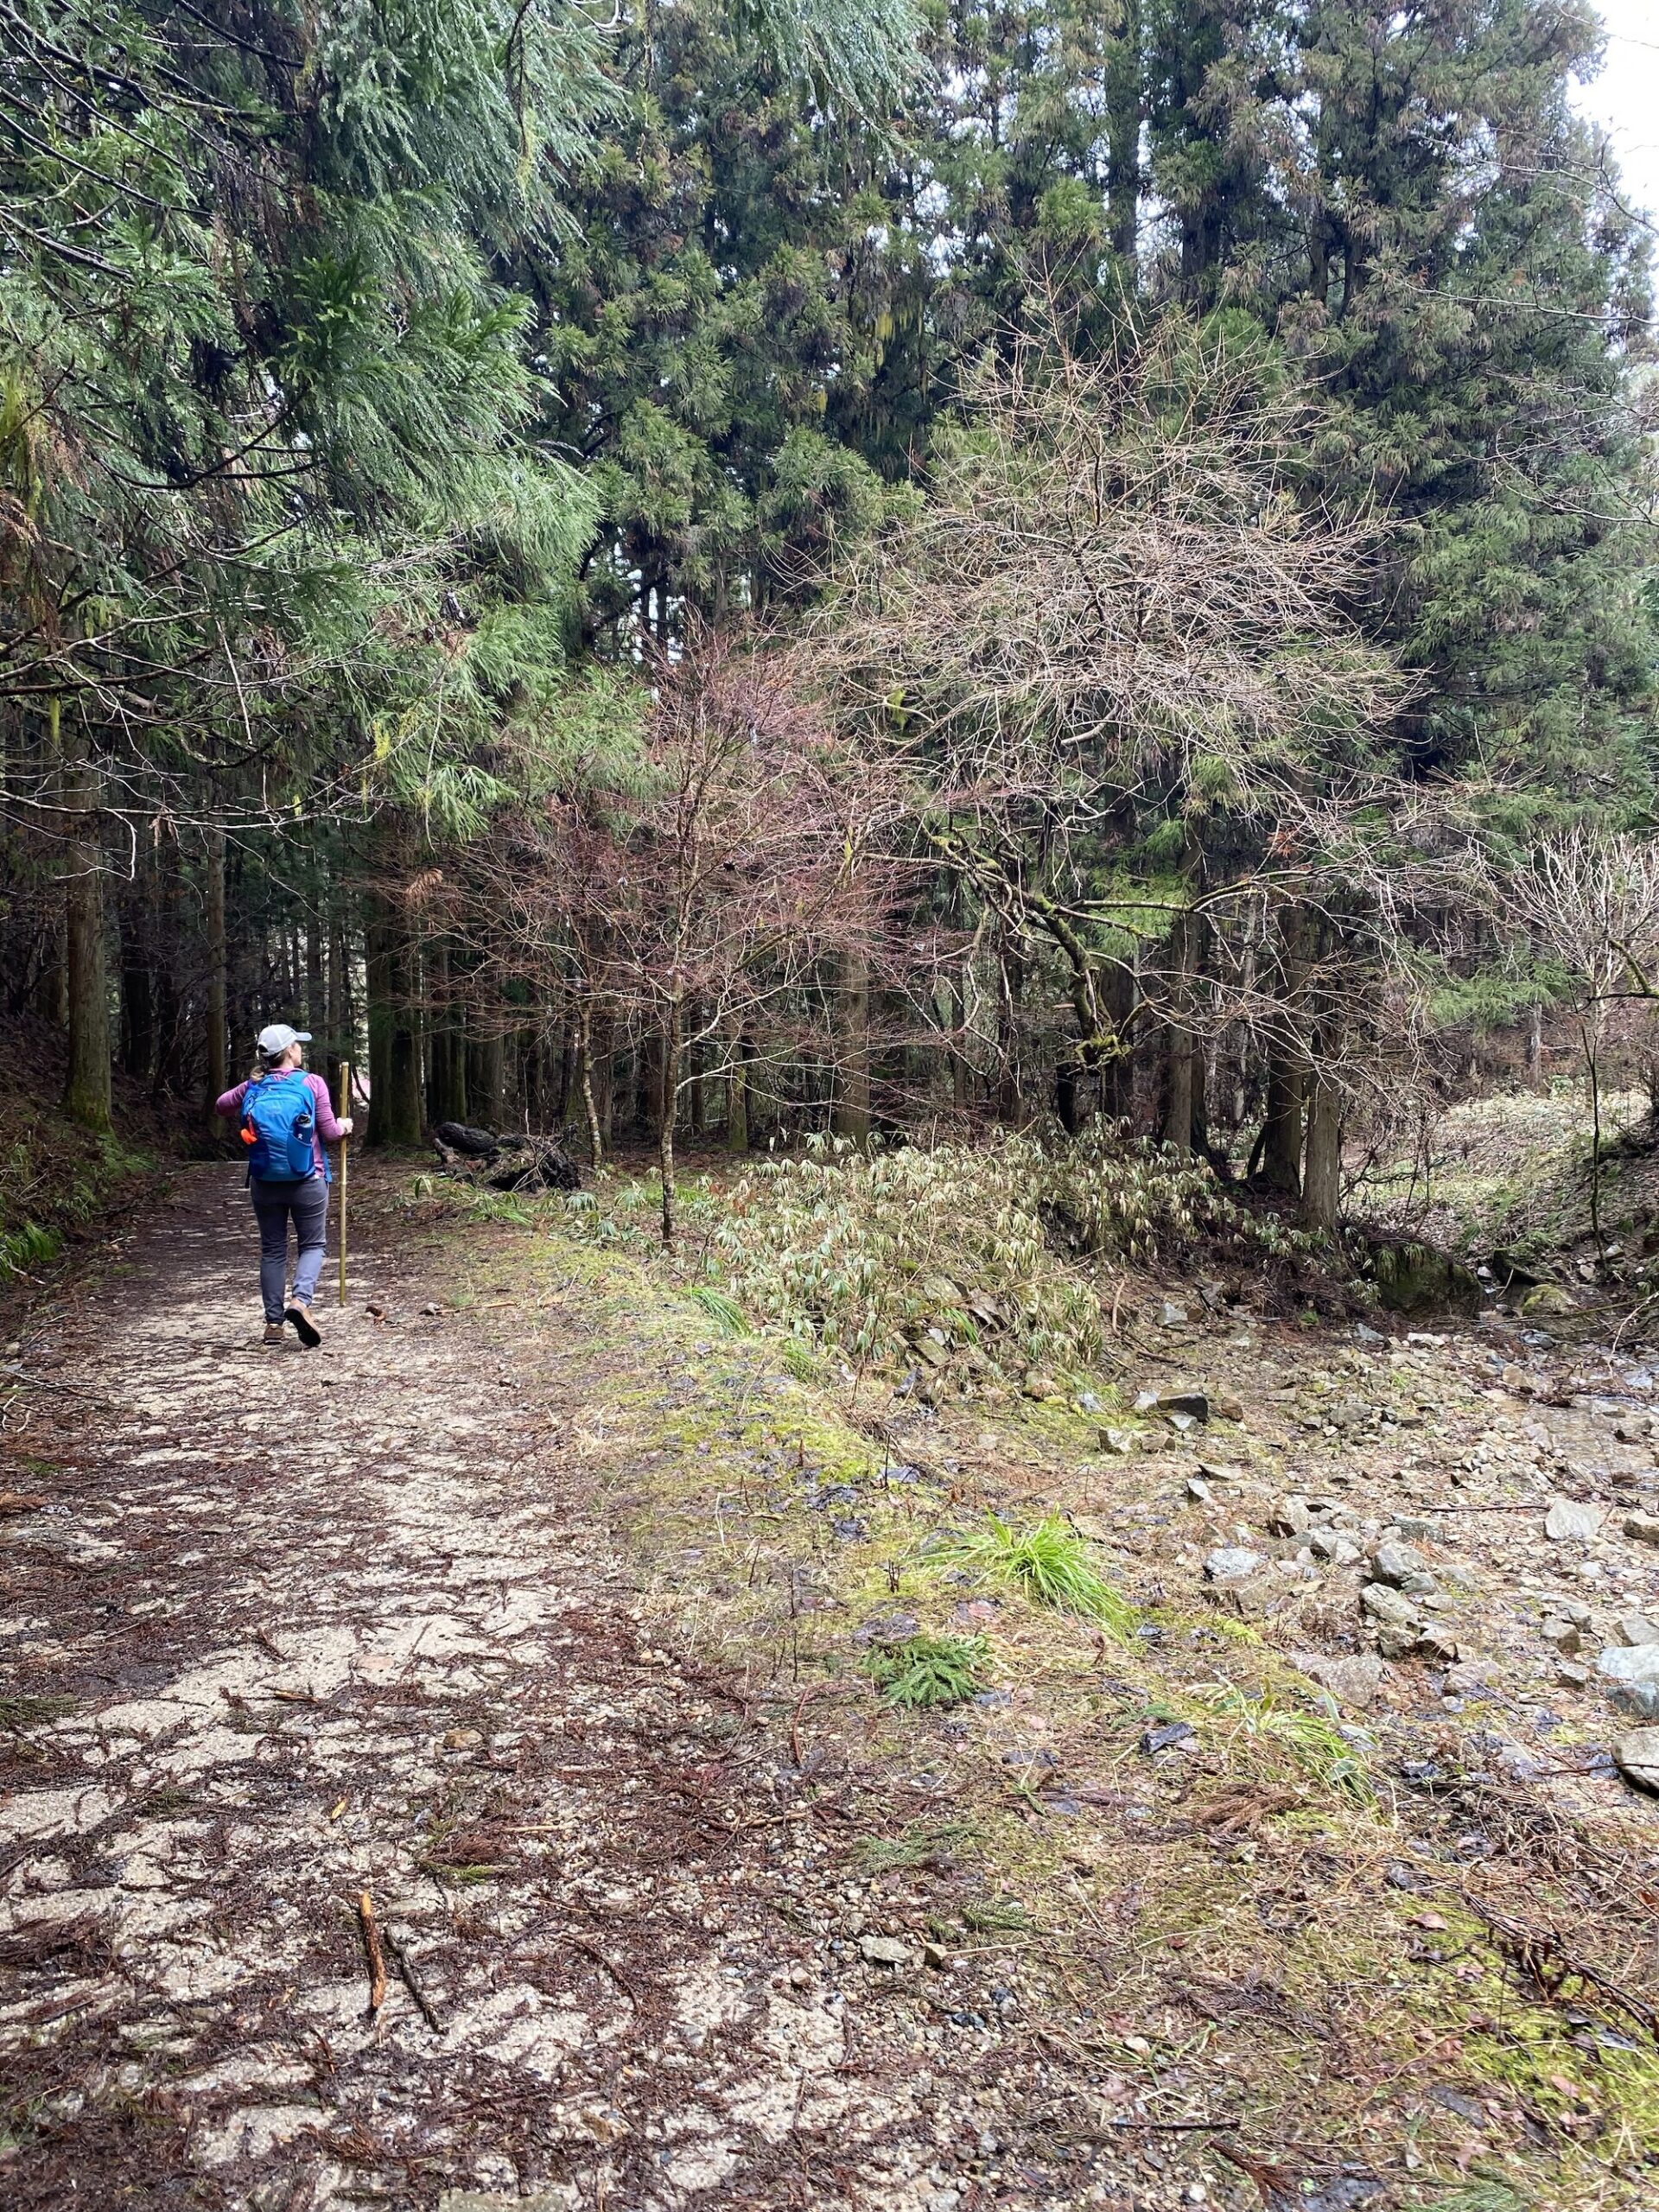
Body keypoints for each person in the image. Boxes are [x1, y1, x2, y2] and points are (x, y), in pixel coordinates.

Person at [215, 1025, 353, 1347]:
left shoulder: (254, 1085)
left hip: (264, 1180)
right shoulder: (311, 1082)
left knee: (274, 1249)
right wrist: (345, 1125)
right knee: (313, 1245)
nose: (300, 1050)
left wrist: (248, 1085)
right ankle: (300, 1302)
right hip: (308, 1179)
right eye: (297, 1045)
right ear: (290, 1051)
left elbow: (222, 1105)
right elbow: (331, 1133)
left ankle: (273, 1325)